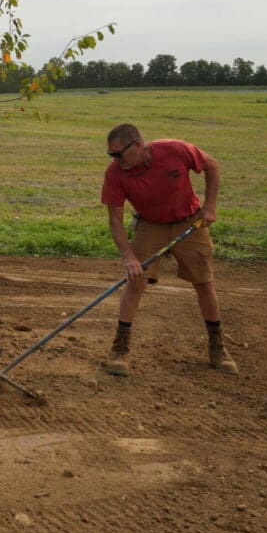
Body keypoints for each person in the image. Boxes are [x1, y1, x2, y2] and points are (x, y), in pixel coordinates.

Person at [100, 123, 238, 376]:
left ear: (139, 145)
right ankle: (119, 350)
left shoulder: (176, 149)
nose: (116, 160)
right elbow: (115, 220)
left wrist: (210, 206)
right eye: (112, 155)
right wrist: (128, 257)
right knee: (135, 282)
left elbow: (212, 166)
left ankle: (218, 348)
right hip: (150, 224)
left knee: (204, 283)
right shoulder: (116, 173)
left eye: (119, 154)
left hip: (189, 221)